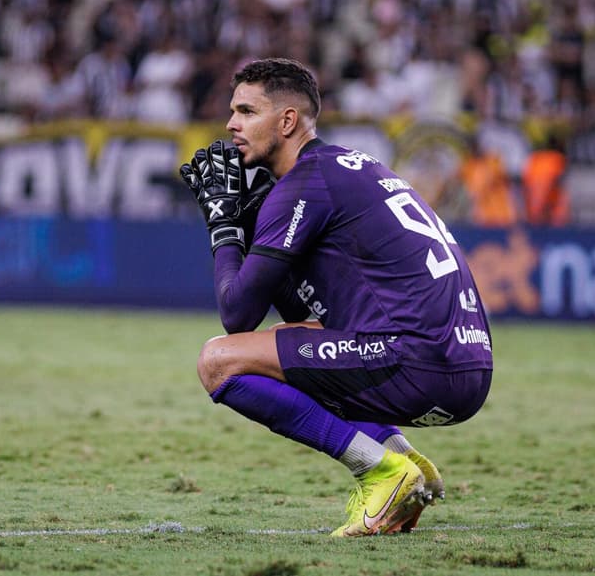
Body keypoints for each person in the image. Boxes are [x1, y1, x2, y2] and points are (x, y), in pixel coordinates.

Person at [179, 58, 493, 537]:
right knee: (296, 342)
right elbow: (308, 316)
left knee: (218, 362)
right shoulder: (346, 169)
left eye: (246, 111)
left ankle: (381, 470)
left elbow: (237, 315)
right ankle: (406, 462)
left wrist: (224, 226)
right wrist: (250, 223)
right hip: (465, 370)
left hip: (417, 363)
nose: (231, 124)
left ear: (287, 121)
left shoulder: (304, 185)